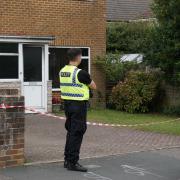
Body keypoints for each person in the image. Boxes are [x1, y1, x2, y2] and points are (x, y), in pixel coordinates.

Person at [59, 48, 96, 172]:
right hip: (78, 105)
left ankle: (67, 159)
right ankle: (72, 162)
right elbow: (94, 86)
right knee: (78, 132)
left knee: (71, 131)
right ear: (79, 57)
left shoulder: (62, 71)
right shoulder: (81, 73)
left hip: (67, 105)